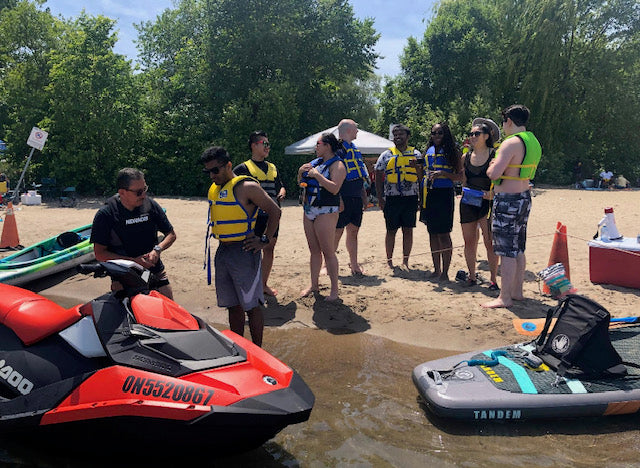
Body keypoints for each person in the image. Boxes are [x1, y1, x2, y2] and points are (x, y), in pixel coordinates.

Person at [202, 146, 281, 347]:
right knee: (232, 305)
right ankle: (237, 348)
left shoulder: (247, 187)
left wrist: (264, 240)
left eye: (215, 170)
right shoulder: (216, 189)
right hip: (223, 252)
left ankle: (257, 350)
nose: (212, 175)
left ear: (228, 165)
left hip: (245, 252)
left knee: (252, 306)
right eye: (208, 171)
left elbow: (275, 211)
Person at [482, 105, 542, 308]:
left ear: (508, 120)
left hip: (508, 199)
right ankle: (517, 291)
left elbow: (494, 174)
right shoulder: (533, 141)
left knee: (506, 250)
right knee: (518, 246)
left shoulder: (510, 144)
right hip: (524, 197)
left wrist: (491, 166)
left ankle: (504, 297)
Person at [91, 168, 177, 299]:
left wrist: (157, 250)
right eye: (138, 192)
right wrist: (133, 262)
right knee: (131, 315)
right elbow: (100, 253)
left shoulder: (150, 206)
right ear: (122, 192)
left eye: (145, 189)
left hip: (153, 270)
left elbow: (171, 234)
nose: (143, 195)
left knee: (170, 312)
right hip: (124, 276)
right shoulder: (106, 214)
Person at [233, 131, 285, 297]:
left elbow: (280, 185)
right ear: (254, 145)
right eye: (265, 143)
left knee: (269, 248)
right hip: (252, 218)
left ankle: (263, 284)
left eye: (268, 144)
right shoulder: (242, 168)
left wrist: (282, 191)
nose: (267, 147)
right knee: (250, 250)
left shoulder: (272, 167)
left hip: (272, 217)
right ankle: (248, 286)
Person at [298, 133, 346, 301]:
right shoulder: (315, 163)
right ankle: (314, 284)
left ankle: (334, 291)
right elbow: (302, 182)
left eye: (318, 143)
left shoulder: (338, 165)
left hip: (326, 210)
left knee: (328, 251)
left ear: (328, 146)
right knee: (314, 251)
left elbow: (334, 188)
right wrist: (300, 173)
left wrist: (317, 175)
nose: (316, 146)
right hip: (309, 208)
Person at [374, 124, 423, 270]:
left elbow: (421, 178)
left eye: (401, 134)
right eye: (395, 135)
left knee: (408, 229)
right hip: (392, 197)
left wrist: (417, 168)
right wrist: (380, 197)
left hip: (411, 197)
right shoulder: (386, 155)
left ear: (408, 137)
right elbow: (377, 174)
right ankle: (389, 261)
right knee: (391, 230)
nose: (398, 137)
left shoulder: (416, 154)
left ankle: (405, 260)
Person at [459, 119, 499, 290]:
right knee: (469, 241)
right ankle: (472, 276)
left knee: (490, 242)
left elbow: (501, 181)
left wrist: (492, 194)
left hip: (488, 204)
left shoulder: (495, 155)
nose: (472, 137)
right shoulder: (465, 157)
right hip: (469, 202)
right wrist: (465, 190)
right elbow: (464, 180)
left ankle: (493, 280)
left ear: (487, 135)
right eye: (471, 134)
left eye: (476, 134)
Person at [420, 122, 462, 281]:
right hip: (429, 193)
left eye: (439, 133)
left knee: (444, 234)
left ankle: (445, 272)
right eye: (433, 133)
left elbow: (460, 176)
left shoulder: (453, 152)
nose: (436, 136)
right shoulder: (428, 151)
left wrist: (443, 174)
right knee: (432, 233)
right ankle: (436, 270)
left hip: (444, 194)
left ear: (446, 135)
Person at [334, 119, 369, 275]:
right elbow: (335, 176)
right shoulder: (338, 150)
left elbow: (359, 175)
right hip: (343, 196)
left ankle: (353, 264)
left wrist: (363, 196)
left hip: (355, 196)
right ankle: (327, 264)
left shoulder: (354, 149)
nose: (358, 132)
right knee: (337, 231)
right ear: (348, 130)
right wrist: (339, 198)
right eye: (356, 129)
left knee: (353, 231)